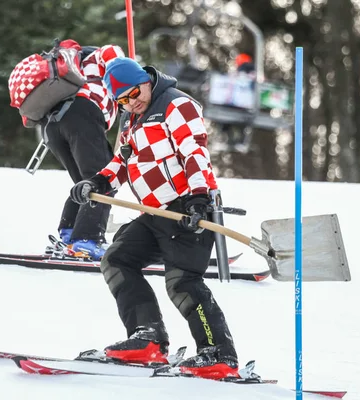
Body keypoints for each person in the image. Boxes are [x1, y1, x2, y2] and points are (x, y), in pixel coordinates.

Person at [69, 57, 240, 380]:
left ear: (145, 80)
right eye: (122, 100)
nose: (131, 103)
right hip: (154, 211)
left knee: (182, 281)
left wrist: (198, 198)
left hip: (187, 206)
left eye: (134, 93)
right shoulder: (131, 119)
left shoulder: (176, 105)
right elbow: (122, 161)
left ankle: (218, 355)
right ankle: (148, 338)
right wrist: (98, 182)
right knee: (117, 259)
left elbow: (195, 151)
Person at [41, 40, 125, 260]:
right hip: (82, 115)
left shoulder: (71, 72)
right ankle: (87, 240)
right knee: (104, 179)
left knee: (84, 182)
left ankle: (69, 234)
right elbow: (113, 54)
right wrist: (126, 71)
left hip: (52, 126)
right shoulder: (100, 55)